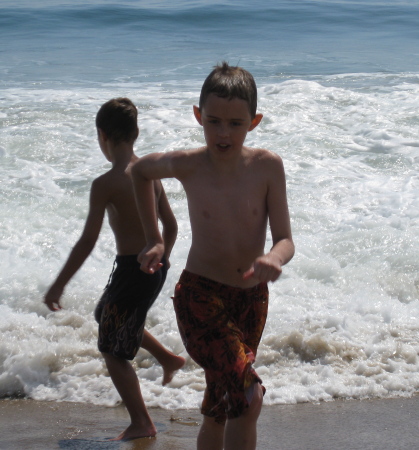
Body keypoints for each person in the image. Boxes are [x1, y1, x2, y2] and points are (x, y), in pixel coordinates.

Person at [131, 63, 295, 450]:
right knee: (248, 396)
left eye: (235, 124)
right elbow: (140, 172)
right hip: (200, 297)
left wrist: (274, 257)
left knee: (221, 404)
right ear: (198, 116)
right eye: (214, 121)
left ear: (254, 122)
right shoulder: (189, 163)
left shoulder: (267, 167)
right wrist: (154, 239)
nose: (223, 133)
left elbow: (285, 239)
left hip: (251, 299)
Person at [44, 98, 185, 441]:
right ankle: (167, 358)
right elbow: (172, 226)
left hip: (131, 269)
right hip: (153, 265)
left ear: (101, 136)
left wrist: (58, 285)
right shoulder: (151, 174)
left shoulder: (105, 183)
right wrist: (162, 258)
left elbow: (87, 241)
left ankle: (142, 422)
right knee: (105, 313)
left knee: (110, 348)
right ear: (136, 133)